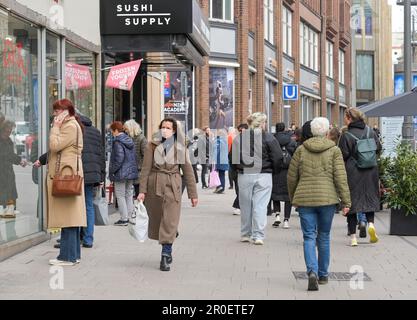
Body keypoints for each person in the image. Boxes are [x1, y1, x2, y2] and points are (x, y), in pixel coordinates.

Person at [288, 117, 351, 291]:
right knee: (323, 236)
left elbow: (291, 177)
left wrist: (294, 197)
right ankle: (323, 274)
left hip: (305, 200)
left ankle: (312, 272)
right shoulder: (334, 151)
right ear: (326, 132)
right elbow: (340, 177)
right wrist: (346, 201)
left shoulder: (301, 150)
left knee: (308, 236)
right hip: (327, 200)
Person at [138, 118, 198, 272]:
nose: (165, 130)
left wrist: (193, 194)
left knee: (170, 220)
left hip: (173, 186)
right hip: (155, 186)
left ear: (174, 131)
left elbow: (188, 171)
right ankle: (171, 234)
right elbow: (145, 169)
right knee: (159, 220)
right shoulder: (152, 145)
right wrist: (142, 191)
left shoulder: (180, 147)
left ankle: (165, 255)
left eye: (168, 127)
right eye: (163, 127)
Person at [232, 113, 283, 245]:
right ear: (261, 123)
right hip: (264, 174)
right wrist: (273, 171)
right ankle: (258, 235)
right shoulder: (269, 138)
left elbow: (232, 157)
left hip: (245, 174)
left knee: (245, 205)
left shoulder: (240, 137)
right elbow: (277, 158)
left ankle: (245, 233)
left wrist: (238, 169)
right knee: (260, 206)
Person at [47, 99, 86, 266]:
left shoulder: (69, 126)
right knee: (70, 218)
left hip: (66, 177)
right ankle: (71, 255)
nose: (55, 114)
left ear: (65, 111)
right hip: (69, 174)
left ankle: (67, 257)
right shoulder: (72, 125)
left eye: (57, 111)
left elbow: (55, 146)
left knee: (68, 219)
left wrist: (55, 127)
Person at [338, 107, 382, 247]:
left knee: (352, 202)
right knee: (369, 197)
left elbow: (342, 155)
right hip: (371, 171)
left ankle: (353, 237)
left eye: (345, 117)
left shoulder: (346, 135)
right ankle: (371, 224)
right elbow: (379, 148)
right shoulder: (370, 131)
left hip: (353, 171)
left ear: (350, 118)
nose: (344, 119)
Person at [78, 113, 106, 248]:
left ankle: (76, 236)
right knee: (88, 205)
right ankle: (88, 239)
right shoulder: (95, 132)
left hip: (78, 173)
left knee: (76, 205)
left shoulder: (77, 129)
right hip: (92, 174)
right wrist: (101, 175)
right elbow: (101, 154)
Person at [109, 121, 138, 226]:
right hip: (130, 172)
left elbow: (119, 159)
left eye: (112, 131)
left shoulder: (118, 142)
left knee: (120, 195)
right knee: (129, 194)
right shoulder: (129, 140)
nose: (112, 133)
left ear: (116, 130)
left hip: (121, 173)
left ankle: (124, 218)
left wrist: (112, 171)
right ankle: (130, 217)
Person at [271, 123, 297, 229]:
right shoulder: (291, 141)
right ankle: (286, 220)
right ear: (285, 129)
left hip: (276, 170)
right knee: (287, 197)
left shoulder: (272, 140)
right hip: (288, 171)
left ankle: (277, 215)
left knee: (275, 194)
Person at [0, 120, 27, 218]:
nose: (9, 133)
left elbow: (10, 155)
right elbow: (7, 155)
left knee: (11, 193)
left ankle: (10, 211)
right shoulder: (2, 141)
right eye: (7, 131)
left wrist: (19, 161)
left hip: (8, 171)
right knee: (4, 193)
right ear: (2, 129)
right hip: (2, 171)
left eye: (10, 131)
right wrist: (19, 160)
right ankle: (5, 210)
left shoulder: (9, 141)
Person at [124, 120, 148, 198]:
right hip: (132, 170)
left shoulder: (141, 139)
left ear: (131, 128)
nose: (125, 131)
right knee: (130, 194)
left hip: (139, 171)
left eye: (126, 129)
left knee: (139, 193)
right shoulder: (129, 138)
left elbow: (146, 156)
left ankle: (140, 209)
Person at [229, 123, 248, 216]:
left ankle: (238, 206)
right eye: (239, 131)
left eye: (242, 130)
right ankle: (239, 206)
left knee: (242, 189)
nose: (240, 132)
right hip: (238, 169)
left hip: (245, 169)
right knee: (239, 188)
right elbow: (231, 156)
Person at [212, 129, 229, 194]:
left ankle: (219, 187)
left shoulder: (218, 141)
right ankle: (221, 187)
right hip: (224, 160)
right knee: (222, 174)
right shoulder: (225, 141)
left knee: (218, 174)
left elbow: (216, 151)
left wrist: (213, 159)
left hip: (219, 160)